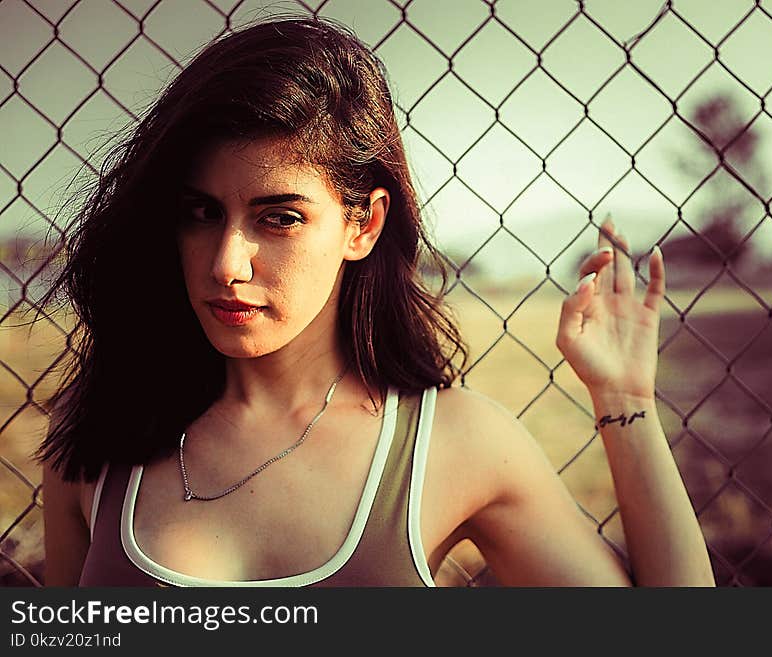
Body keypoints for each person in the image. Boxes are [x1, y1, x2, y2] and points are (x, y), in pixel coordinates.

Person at [36, 16, 715, 587]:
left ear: (362, 224)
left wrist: (625, 399)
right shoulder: (99, 431)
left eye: (279, 218)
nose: (225, 262)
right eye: (201, 212)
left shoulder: (455, 443)